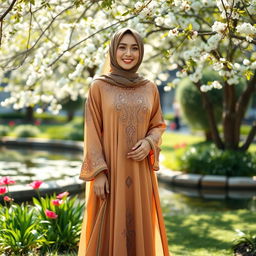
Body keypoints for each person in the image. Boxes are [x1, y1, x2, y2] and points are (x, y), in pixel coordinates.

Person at [78, 27, 170, 256]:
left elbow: (158, 125)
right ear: (113, 50)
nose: (128, 53)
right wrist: (98, 172)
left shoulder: (149, 87)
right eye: (122, 47)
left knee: (139, 224)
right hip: (110, 172)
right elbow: (92, 130)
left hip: (140, 173)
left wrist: (149, 143)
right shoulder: (99, 86)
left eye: (134, 48)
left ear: (141, 52)